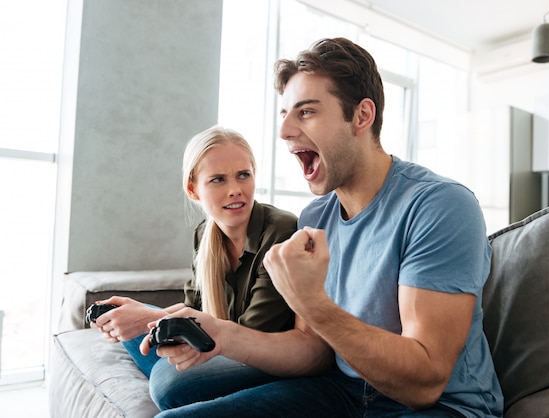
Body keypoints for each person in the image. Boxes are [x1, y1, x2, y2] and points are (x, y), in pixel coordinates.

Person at [143, 37, 503, 417]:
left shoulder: (439, 205)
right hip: (344, 390)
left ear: (362, 116)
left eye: (306, 112)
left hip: (442, 407)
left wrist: (312, 301)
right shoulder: (316, 217)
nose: (283, 130)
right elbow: (312, 350)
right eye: (284, 113)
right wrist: (221, 334)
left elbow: (424, 382)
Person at [91, 125, 297, 409]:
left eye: (243, 175)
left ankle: (188, 377)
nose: (235, 190)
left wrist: (154, 320)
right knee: (127, 319)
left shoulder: (280, 231)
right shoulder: (205, 234)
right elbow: (195, 309)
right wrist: (141, 316)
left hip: (260, 356)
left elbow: (254, 332)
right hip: (217, 345)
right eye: (218, 180)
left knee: (168, 386)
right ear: (193, 188)